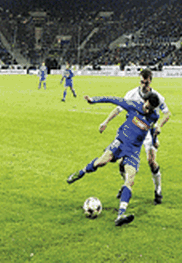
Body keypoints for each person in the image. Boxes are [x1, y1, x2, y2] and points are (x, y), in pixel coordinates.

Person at [66, 91, 161, 227]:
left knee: (130, 179)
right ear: (144, 101)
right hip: (120, 143)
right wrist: (93, 99)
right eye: (147, 107)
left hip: (133, 151)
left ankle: (120, 215)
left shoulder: (154, 116)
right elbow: (112, 99)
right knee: (101, 162)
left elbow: (151, 129)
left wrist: (155, 140)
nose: (147, 110)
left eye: (150, 109)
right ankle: (81, 172)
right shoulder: (133, 105)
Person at [99, 68, 170, 203]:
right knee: (122, 164)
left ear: (151, 81)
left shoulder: (156, 97)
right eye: (142, 82)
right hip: (132, 134)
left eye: (146, 83)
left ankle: (158, 190)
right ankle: (125, 185)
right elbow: (118, 108)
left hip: (148, 133)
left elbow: (167, 113)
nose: (144, 85)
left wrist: (159, 126)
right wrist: (106, 121)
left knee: (151, 161)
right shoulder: (132, 94)